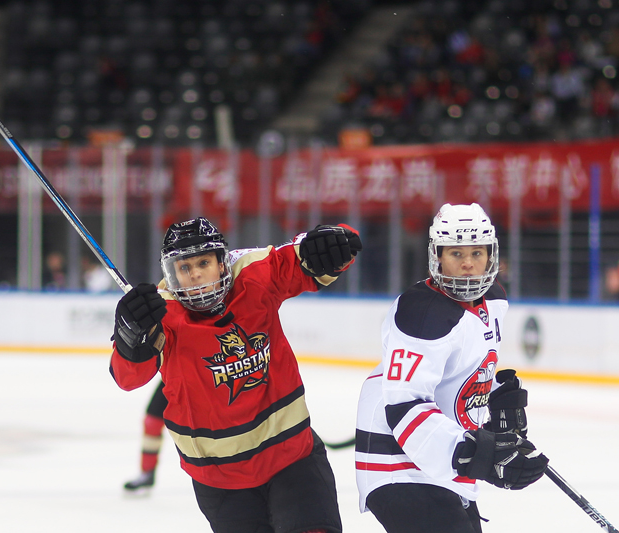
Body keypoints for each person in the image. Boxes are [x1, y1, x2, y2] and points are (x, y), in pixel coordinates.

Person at [110, 216, 362, 533]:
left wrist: (332, 241)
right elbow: (127, 377)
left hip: (292, 460)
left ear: (222, 261)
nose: (196, 274)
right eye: (184, 268)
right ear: (171, 273)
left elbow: (325, 251)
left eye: (203, 262)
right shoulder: (161, 315)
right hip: (220, 483)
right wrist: (130, 337)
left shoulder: (253, 275)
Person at [355, 203, 549, 533]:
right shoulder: (422, 313)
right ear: (437, 256)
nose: (468, 264)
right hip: (398, 463)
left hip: (448, 460)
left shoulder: (495, 299)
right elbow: (404, 407)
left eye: (477, 252)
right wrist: (481, 454)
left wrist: (498, 397)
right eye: (456, 253)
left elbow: (464, 370)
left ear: (492, 254)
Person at [123, 380, 167, 492]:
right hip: (174, 374)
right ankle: (147, 472)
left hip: (206, 377)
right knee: (152, 422)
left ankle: (212, 473)